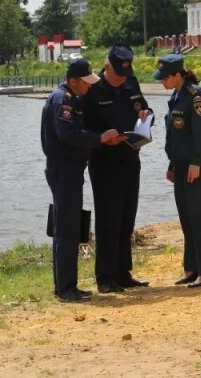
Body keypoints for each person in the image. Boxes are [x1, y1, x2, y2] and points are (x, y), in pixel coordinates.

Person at [41, 59, 120, 302]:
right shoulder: (63, 100)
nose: (88, 87)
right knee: (66, 229)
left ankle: (67, 285)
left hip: (70, 171)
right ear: (73, 81)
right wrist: (100, 139)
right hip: (63, 171)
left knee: (70, 226)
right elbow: (68, 135)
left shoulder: (71, 99)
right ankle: (65, 288)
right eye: (85, 83)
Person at [81, 45, 153, 293]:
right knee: (108, 219)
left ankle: (123, 272)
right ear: (106, 67)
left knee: (126, 216)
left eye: (125, 74)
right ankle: (105, 276)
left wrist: (146, 115)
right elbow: (82, 129)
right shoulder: (92, 89)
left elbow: (144, 107)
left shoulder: (131, 83)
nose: (122, 79)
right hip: (104, 163)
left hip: (130, 157)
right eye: (118, 74)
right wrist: (102, 138)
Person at [153, 54, 201, 288]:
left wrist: (196, 162)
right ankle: (192, 268)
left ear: (176, 75)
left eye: (164, 78)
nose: (162, 82)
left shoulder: (196, 97)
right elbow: (176, 136)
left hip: (196, 167)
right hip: (181, 167)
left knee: (199, 217)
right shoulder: (176, 96)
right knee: (186, 218)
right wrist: (173, 165)